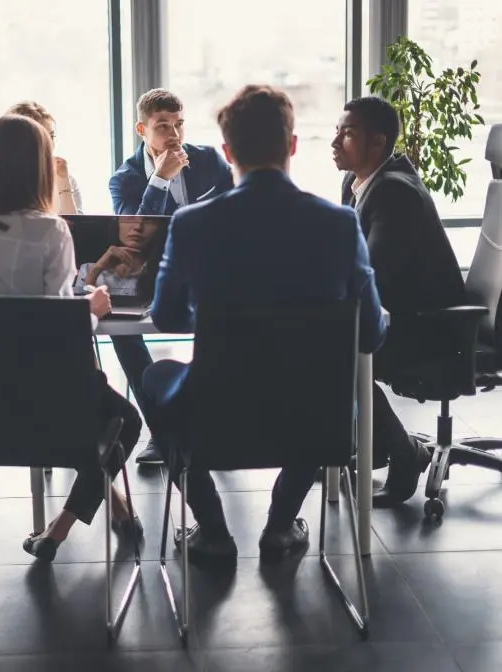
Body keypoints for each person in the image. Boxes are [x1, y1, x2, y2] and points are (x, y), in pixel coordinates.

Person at [141, 85, 385, 569]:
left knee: (154, 380)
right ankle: (279, 525)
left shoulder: (191, 224)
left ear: (227, 151)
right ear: (292, 145)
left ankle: (212, 528)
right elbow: (372, 333)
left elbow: (167, 318)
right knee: (327, 390)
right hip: (312, 419)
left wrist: (218, 314)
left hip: (217, 415)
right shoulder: (338, 224)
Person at [0, 114, 142, 562]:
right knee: (122, 419)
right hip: (49, 398)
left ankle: (101, 514)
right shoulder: (51, 231)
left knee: (89, 407)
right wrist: (91, 307)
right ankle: (60, 528)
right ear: (41, 168)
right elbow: (61, 330)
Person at [332, 96, 464, 506]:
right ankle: (376, 445)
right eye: (337, 130)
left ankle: (404, 451)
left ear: (377, 143)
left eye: (347, 133)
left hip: (427, 326)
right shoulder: (358, 182)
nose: (335, 141)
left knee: (337, 352)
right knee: (331, 340)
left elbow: (373, 273)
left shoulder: (393, 191)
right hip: (398, 311)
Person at [108, 89, 235, 464]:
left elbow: (231, 217)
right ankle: (162, 429)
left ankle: (214, 421)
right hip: (151, 276)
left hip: (209, 274)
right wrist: (160, 181)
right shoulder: (125, 180)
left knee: (228, 322)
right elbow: (136, 239)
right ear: (141, 129)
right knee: (119, 330)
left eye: (179, 124)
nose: (175, 135)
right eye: (163, 126)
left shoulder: (209, 161)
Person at [0, 100, 82, 215]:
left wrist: (63, 183)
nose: (50, 144)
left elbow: (78, 230)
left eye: (51, 136)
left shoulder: (66, 179)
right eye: (41, 138)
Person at [73, 216, 162, 300]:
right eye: (130, 218)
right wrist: (96, 270)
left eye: (148, 220)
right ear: (117, 222)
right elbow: (80, 309)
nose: (138, 227)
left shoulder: (162, 272)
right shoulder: (88, 269)